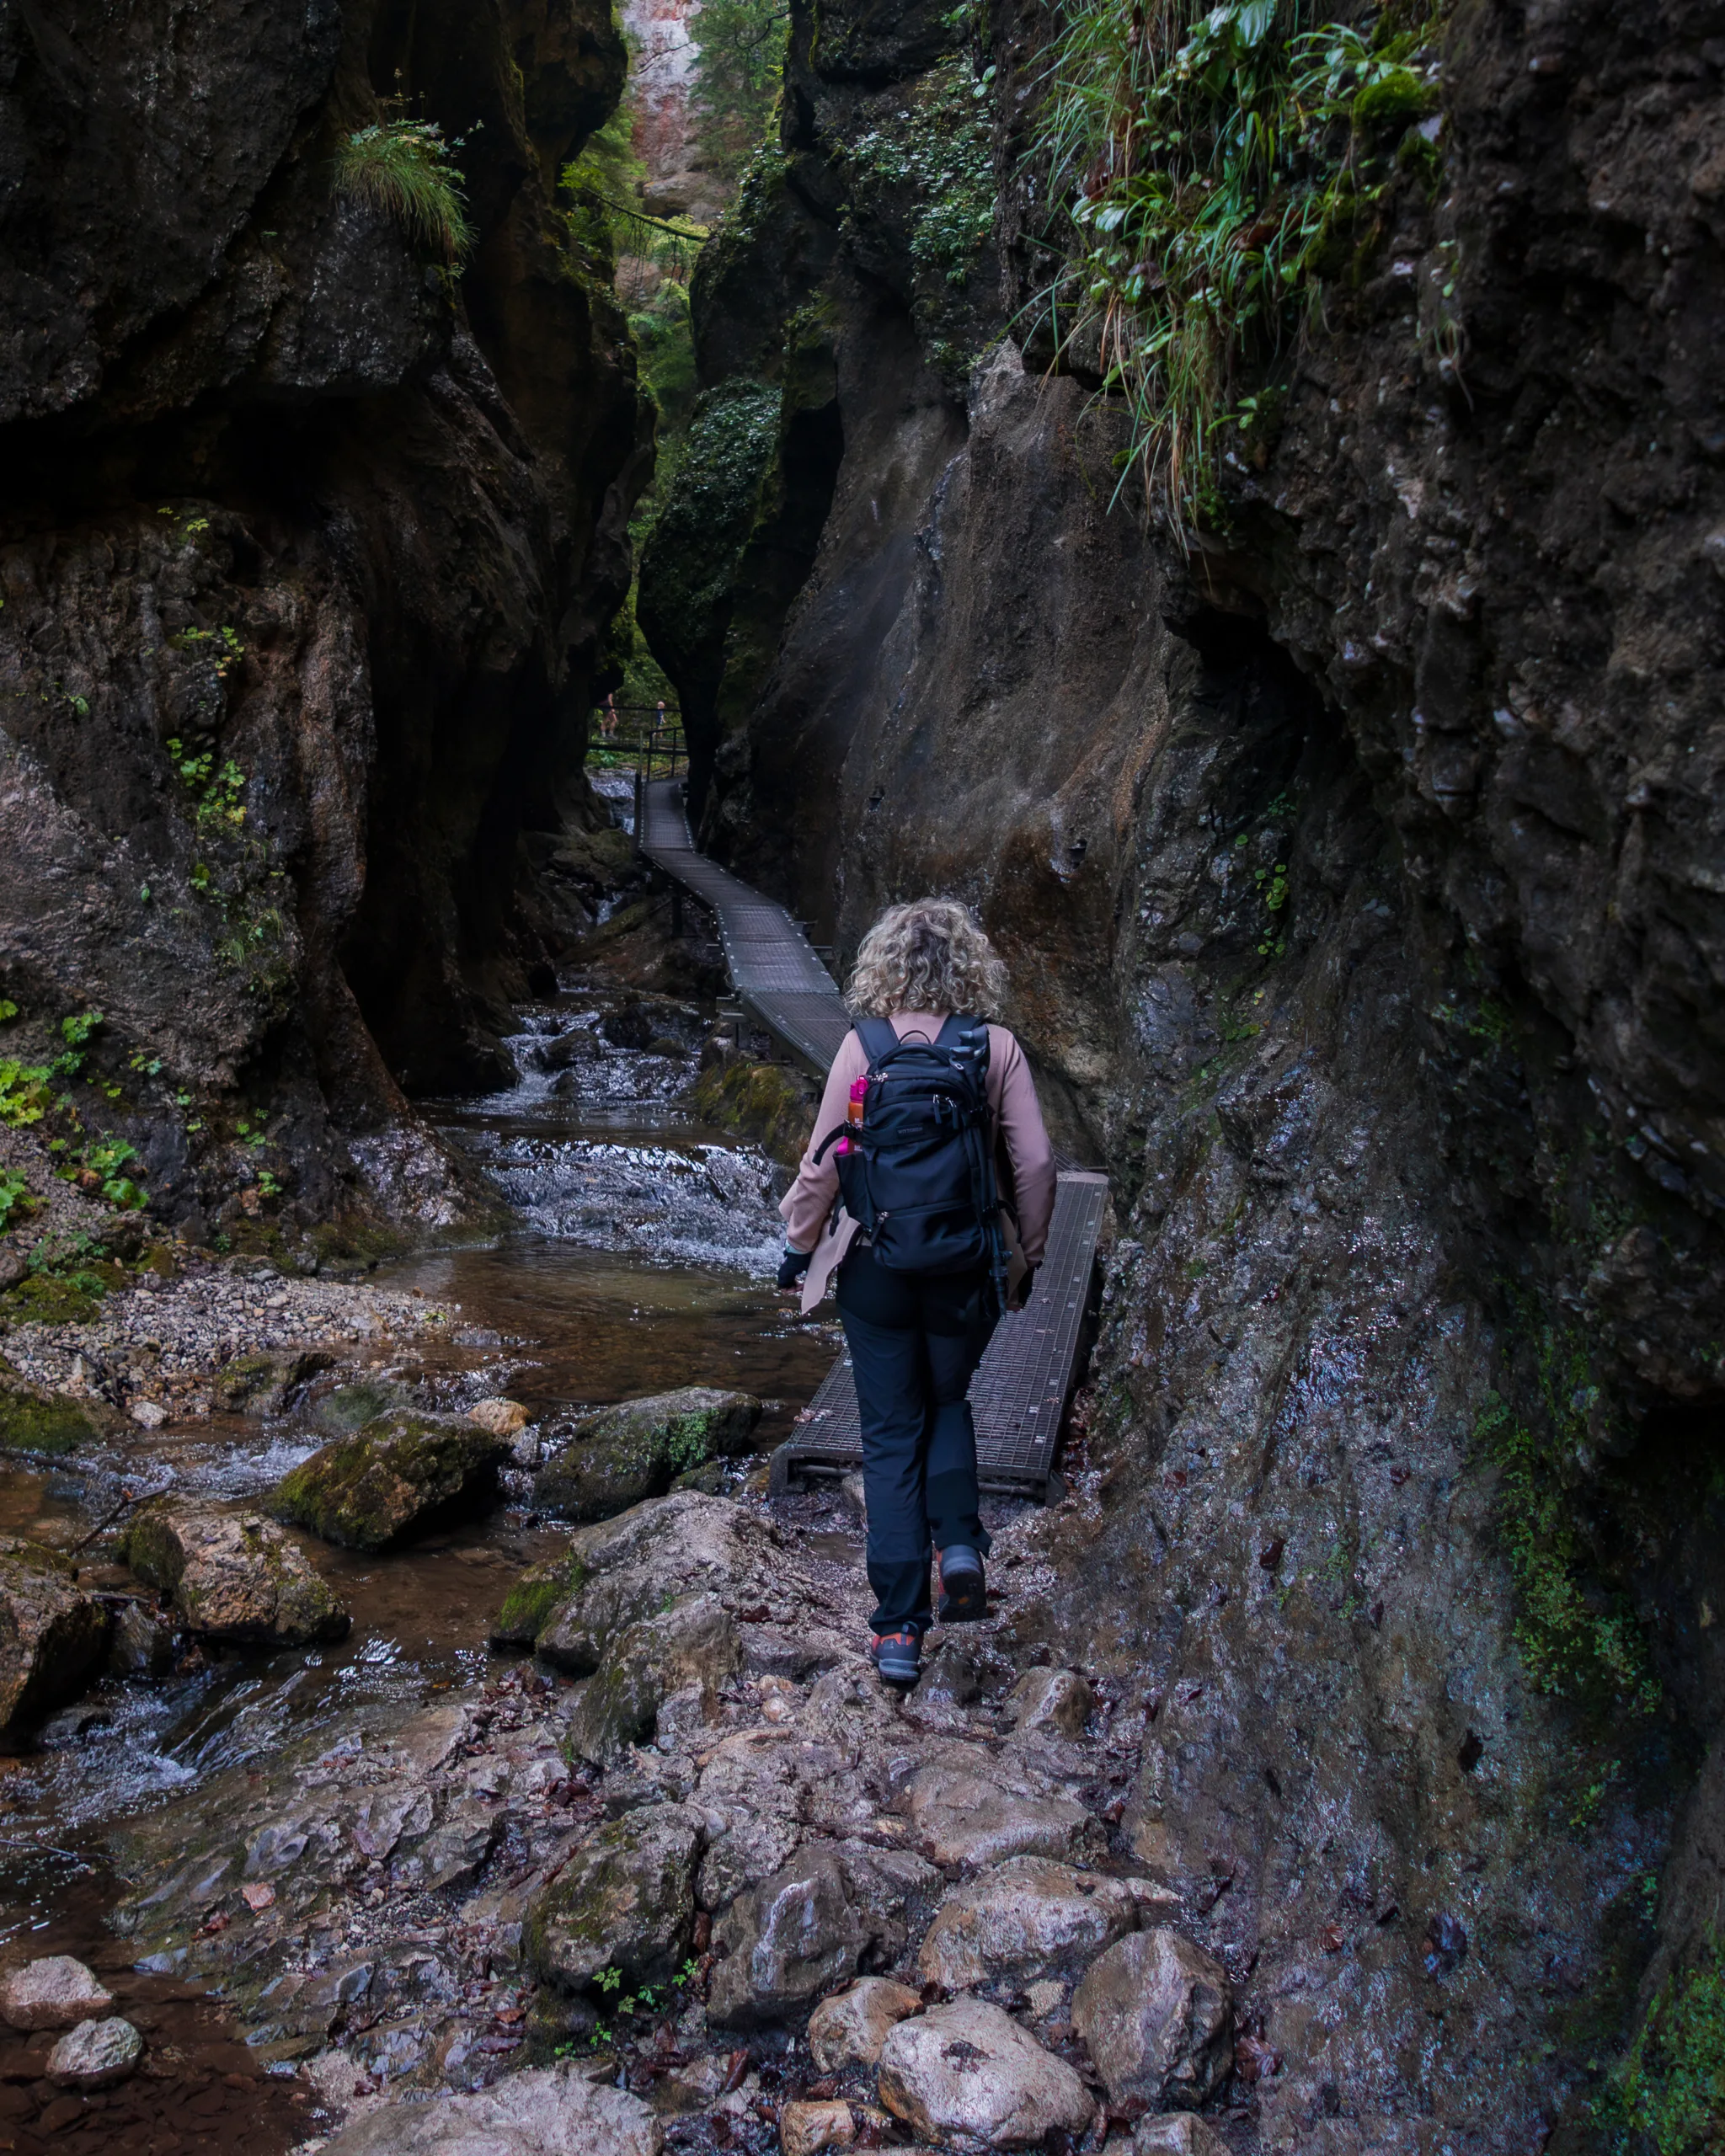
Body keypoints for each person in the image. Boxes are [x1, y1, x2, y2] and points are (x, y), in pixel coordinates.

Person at [777, 898, 1055, 1688]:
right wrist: (1024, 1255)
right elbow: (1034, 1166)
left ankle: (899, 1632)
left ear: (885, 967)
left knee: (891, 1432)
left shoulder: (861, 1048)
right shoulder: (995, 1049)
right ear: (970, 967)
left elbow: (823, 1163)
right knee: (949, 1400)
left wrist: (799, 1249)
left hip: (877, 1271)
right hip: (966, 1266)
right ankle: (960, 1543)